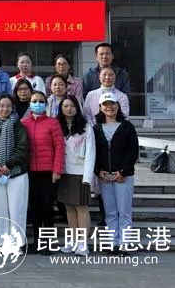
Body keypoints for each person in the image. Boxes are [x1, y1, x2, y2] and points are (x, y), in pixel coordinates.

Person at [94, 92, 139, 256]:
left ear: (118, 106)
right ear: (100, 108)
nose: (109, 107)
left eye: (112, 104)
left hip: (123, 176)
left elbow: (133, 152)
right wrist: (98, 171)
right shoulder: (96, 128)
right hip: (105, 177)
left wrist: (123, 171)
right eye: (105, 104)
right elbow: (94, 152)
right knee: (110, 212)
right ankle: (113, 243)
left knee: (124, 211)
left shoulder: (127, 127)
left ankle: (124, 244)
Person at [21, 90, 65, 254]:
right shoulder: (24, 123)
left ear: (46, 104)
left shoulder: (53, 123)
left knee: (47, 207)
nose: (37, 104)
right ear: (30, 104)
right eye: (34, 101)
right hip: (30, 172)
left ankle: (48, 242)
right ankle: (37, 241)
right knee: (34, 207)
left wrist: (57, 170)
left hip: (48, 172)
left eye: (41, 101)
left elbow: (59, 147)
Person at [0, 94, 29, 248]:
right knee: (1, 210)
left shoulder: (19, 126)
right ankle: (2, 242)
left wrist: (9, 165)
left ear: (13, 108)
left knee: (17, 209)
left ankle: (18, 244)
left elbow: (22, 149)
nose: (5, 109)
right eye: (2, 106)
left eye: (8, 106)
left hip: (17, 172)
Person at [57, 96, 95, 257]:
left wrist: (87, 177)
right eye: (65, 106)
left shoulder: (86, 128)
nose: (69, 109)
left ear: (77, 108)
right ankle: (73, 240)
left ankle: (83, 243)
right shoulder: (57, 126)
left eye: (72, 106)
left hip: (80, 174)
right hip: (64, 172)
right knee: (69, 209)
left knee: (82, 209)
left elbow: (91, 153)